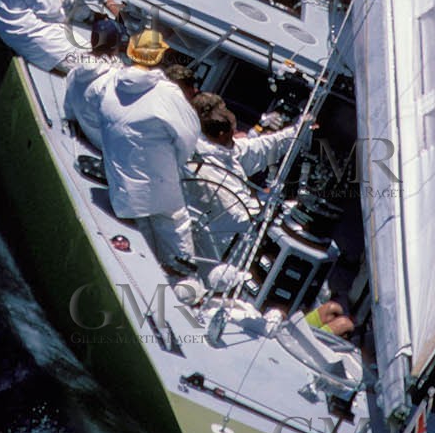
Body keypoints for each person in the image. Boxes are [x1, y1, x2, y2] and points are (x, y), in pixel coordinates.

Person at [96, 29, 200, 275]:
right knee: (175, 220)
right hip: (161, 191)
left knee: (144, 227)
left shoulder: (109, 82)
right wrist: (173, 163)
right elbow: (189, 138)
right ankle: (182, 275)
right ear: (160, 57)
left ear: (131, 52)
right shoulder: (169, 93)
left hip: (121, 193)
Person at [186, 94, 298, 262]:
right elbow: (242, 216)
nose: (236, 136)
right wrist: (273, 199)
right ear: (222, 134)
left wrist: (299, 129)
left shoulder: (214, 146)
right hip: (211, 250)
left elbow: (263, 147)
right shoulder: (209, 169)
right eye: (232, 133)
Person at [63, 17, 124, 148]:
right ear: (115, 47)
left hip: (90, 134)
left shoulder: (74, 73)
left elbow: (69, 111)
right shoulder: (112, 82)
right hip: (108, 145)